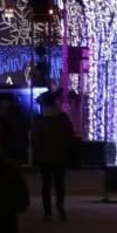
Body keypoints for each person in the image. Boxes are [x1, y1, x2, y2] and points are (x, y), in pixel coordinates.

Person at [30, 91, 76, 222]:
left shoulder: (39, 120)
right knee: (59, 183)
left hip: (44, 156)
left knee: (46, 185)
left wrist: (36, 153)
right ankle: (60, 205)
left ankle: (48, 212)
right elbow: (69, 136)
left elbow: (35, 139)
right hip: (60, 155)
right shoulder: (62, 118)